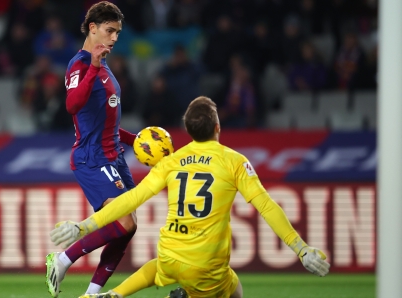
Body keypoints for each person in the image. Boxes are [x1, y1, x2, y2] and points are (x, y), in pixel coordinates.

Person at [50, 96, 331, 298]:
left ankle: (114, 295)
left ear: (188, 131)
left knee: (160, 268)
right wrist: (300, 248)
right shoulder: (234, 161)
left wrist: (84, 225)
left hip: (170, 254)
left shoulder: (172, 161)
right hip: (206, 264)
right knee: (234, 291)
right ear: (218, 127)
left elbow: (131, 199)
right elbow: (267, 206)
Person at [45, 2, 139, 297]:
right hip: (92, 158)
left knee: (130, 226)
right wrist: (94, 67)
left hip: (114, 156)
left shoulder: (104, 66)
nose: (113, 38)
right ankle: (63, 258)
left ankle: (91, 293)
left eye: (118, 33)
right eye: (109, 31)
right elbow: (72, 105)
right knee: (123, 222)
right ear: (93, 28)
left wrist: (136, 141)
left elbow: (105, 124)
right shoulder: (81, 64)